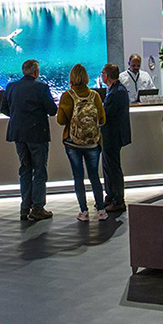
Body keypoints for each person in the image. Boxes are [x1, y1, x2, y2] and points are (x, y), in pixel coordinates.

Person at [1, 59, 58, 221]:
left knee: (25, 169)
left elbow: (3, 108)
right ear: (36, 73)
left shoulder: (11, 87)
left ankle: (24, 208)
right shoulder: (41, 87)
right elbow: (52, 110)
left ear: (23, 71)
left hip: (18, 134)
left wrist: (17, 117)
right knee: (39, 170)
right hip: (37, 134)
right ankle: (38, 208)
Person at [56, 64, 107, 221]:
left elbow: (60, 120)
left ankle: (84, 212)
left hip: (73, 143)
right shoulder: (94, 95)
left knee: (78, 176)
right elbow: (102, 119)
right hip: (92, 143)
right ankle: (101, 210)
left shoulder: (67, 96)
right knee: (94, 176)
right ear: (86, 77)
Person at [100, 63, 131, 213]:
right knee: (109, 166)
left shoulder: (115, 93)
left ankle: (118, 199)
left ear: (107, 75)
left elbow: (106, 115)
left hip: (112, 135)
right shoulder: (118, 90)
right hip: (113, 135)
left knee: (113, 168)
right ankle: (111, 196)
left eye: (103, 73)